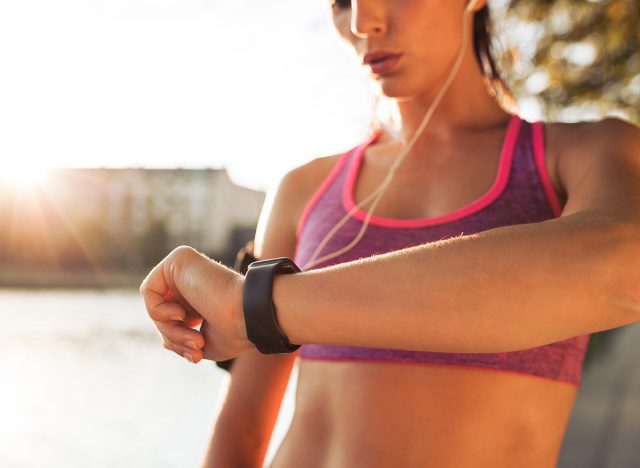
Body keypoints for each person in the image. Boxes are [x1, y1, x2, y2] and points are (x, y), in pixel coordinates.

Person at [140, 0, 640, 467]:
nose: (362, 22)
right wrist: (250, 312)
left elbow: (624, 268)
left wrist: (258, 309)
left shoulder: (584, 154)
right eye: (341, 0)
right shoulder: (303, 189)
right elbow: (243, 431)